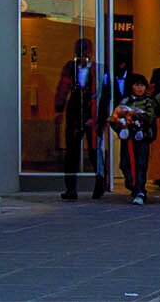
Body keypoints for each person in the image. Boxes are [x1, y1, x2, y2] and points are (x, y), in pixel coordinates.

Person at [53, 38, 103, 201]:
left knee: (95, 151)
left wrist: (100, 116)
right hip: (75, 109)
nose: (82, 54)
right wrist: (59, 109)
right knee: (72, 152)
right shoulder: (71, 67)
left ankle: (99, 185)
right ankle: (71, 188)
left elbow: (104, 92)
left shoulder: (96, 69)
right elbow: (63, 87)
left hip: (91, 109)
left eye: (84, 51)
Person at [113, 68, 157, 205]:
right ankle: (133, 185)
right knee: (125, 164)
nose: (139, 88)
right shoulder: (125, 101)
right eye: (136, 85)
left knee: (141, 164)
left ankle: (140, 190)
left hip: (142, 137)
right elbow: (115, 118)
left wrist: (133, 114)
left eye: (142, 85)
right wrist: (121, 128)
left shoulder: (149, 102)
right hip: (128, 138)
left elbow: (150, 117)